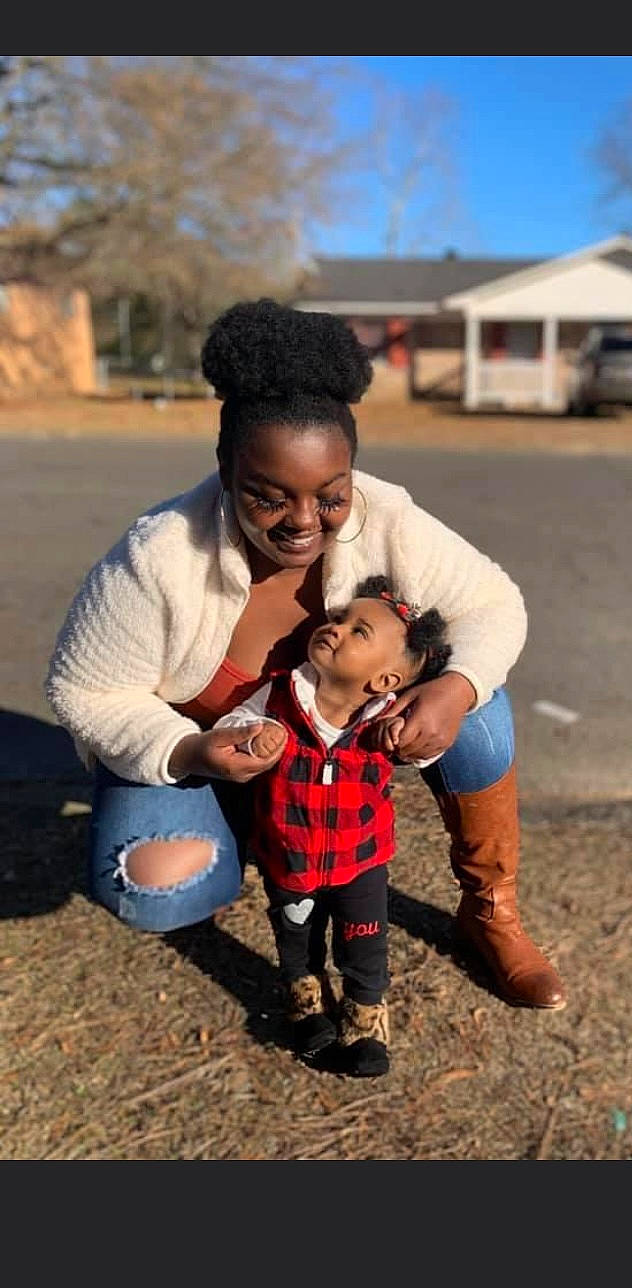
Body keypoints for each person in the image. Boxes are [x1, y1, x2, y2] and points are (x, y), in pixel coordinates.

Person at [46, 299, 566, 1013]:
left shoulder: (386, 516)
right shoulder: (158, 555)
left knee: (479, 708)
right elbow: (84, 690)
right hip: (208, 759)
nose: (302, 522)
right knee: (159, 884)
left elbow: (492, 604)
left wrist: (454, 690)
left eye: (330, 495)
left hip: (332, 747)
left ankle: (490, 909)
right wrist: (194, 752)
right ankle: (256, 837)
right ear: (226, 470)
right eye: (268, 496)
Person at [215, 575, 451, 1077]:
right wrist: (250, 738)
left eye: (357, 631)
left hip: (361, 859)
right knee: (296, 933)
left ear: (386, 680)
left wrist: (411, 735)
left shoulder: (388, 718)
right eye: (339, 618)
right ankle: (305, 1000)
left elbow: (435, 744)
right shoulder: (279, 697)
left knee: (363, 941)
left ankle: (365, 1020)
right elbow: (228, 726)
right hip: (288, 853)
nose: (335, 628)